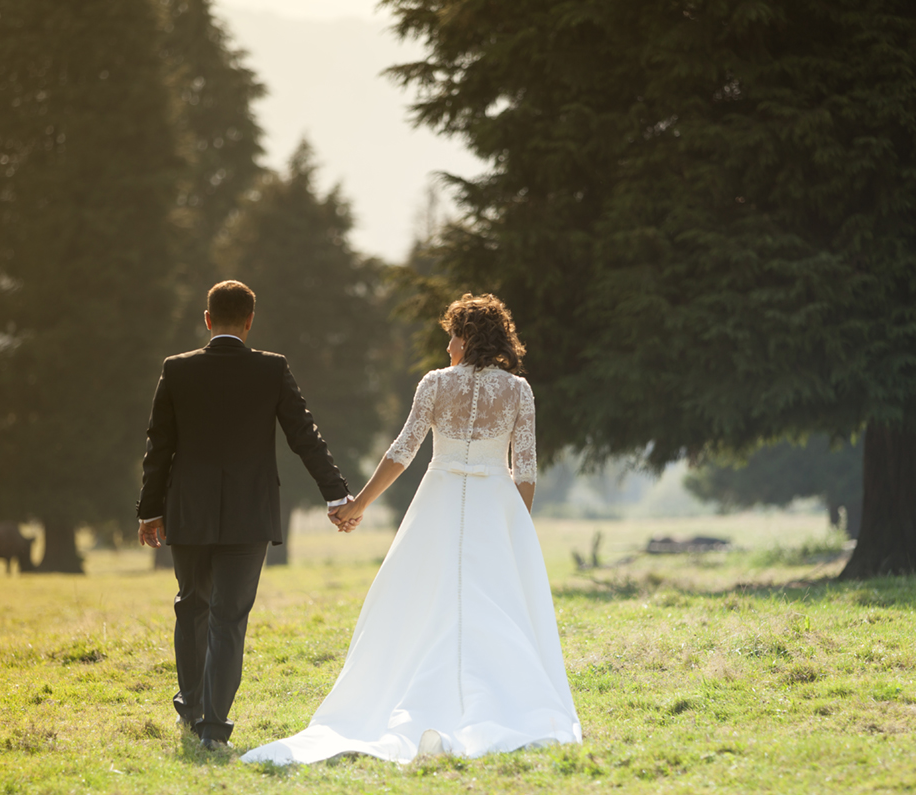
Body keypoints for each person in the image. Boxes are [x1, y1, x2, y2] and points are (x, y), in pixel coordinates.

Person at [241, 293, 582, 764]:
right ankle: (503, 698)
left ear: (467, 338)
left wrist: (357, 504)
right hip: (494, 504)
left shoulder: (435, 384)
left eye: (451, 336)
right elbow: (525, 469)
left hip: (439, 501)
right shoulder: (518, 391)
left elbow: (402, 451)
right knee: (497, 602)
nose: (447, 347)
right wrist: (516, 527)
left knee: (424, 597)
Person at [136, 280, 353, 750]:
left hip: (188, 512)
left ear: (208, 319)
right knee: (229, 618)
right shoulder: (271, 369)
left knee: (191, 606)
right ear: (250, 322)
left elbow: (160, 447)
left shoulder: (177, 370)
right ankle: (213, 729)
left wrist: (151, 511)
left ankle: (190, 707)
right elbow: (304, 436)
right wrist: (336, 496)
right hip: (249, 514)